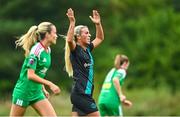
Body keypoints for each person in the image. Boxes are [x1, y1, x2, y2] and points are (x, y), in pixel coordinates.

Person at [10, 22, 61, 116]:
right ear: (47, 34)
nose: (56, 36)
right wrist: (50, 84)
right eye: (54, 33)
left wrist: (43, 88)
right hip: (23, 92)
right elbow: (30, 75)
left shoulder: (48, 50)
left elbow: (38, 72)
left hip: (37, 93)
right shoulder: (36, 51)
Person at [64, 8, 104, 116]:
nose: (89, 35)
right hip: (81, 94)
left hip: (82, 94)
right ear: (78, 37)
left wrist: (98, 24)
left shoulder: (88, 49)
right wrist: (72, 22)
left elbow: (100, 38)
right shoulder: (76, 50)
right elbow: (69, 40)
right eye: (86, 33)